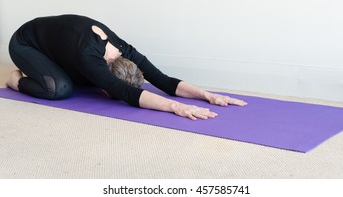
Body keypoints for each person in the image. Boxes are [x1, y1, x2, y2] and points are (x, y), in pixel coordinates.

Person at [6, 14, 247, 120]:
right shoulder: (88, 58)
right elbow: (129, 94)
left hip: (57, 46)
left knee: (82, 81)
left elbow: (162, 80)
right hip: (25, 43)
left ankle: (49, 67)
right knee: (58, 89)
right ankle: (16, 81)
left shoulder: (124, 50)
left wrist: (207, 96)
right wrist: (177, 108)